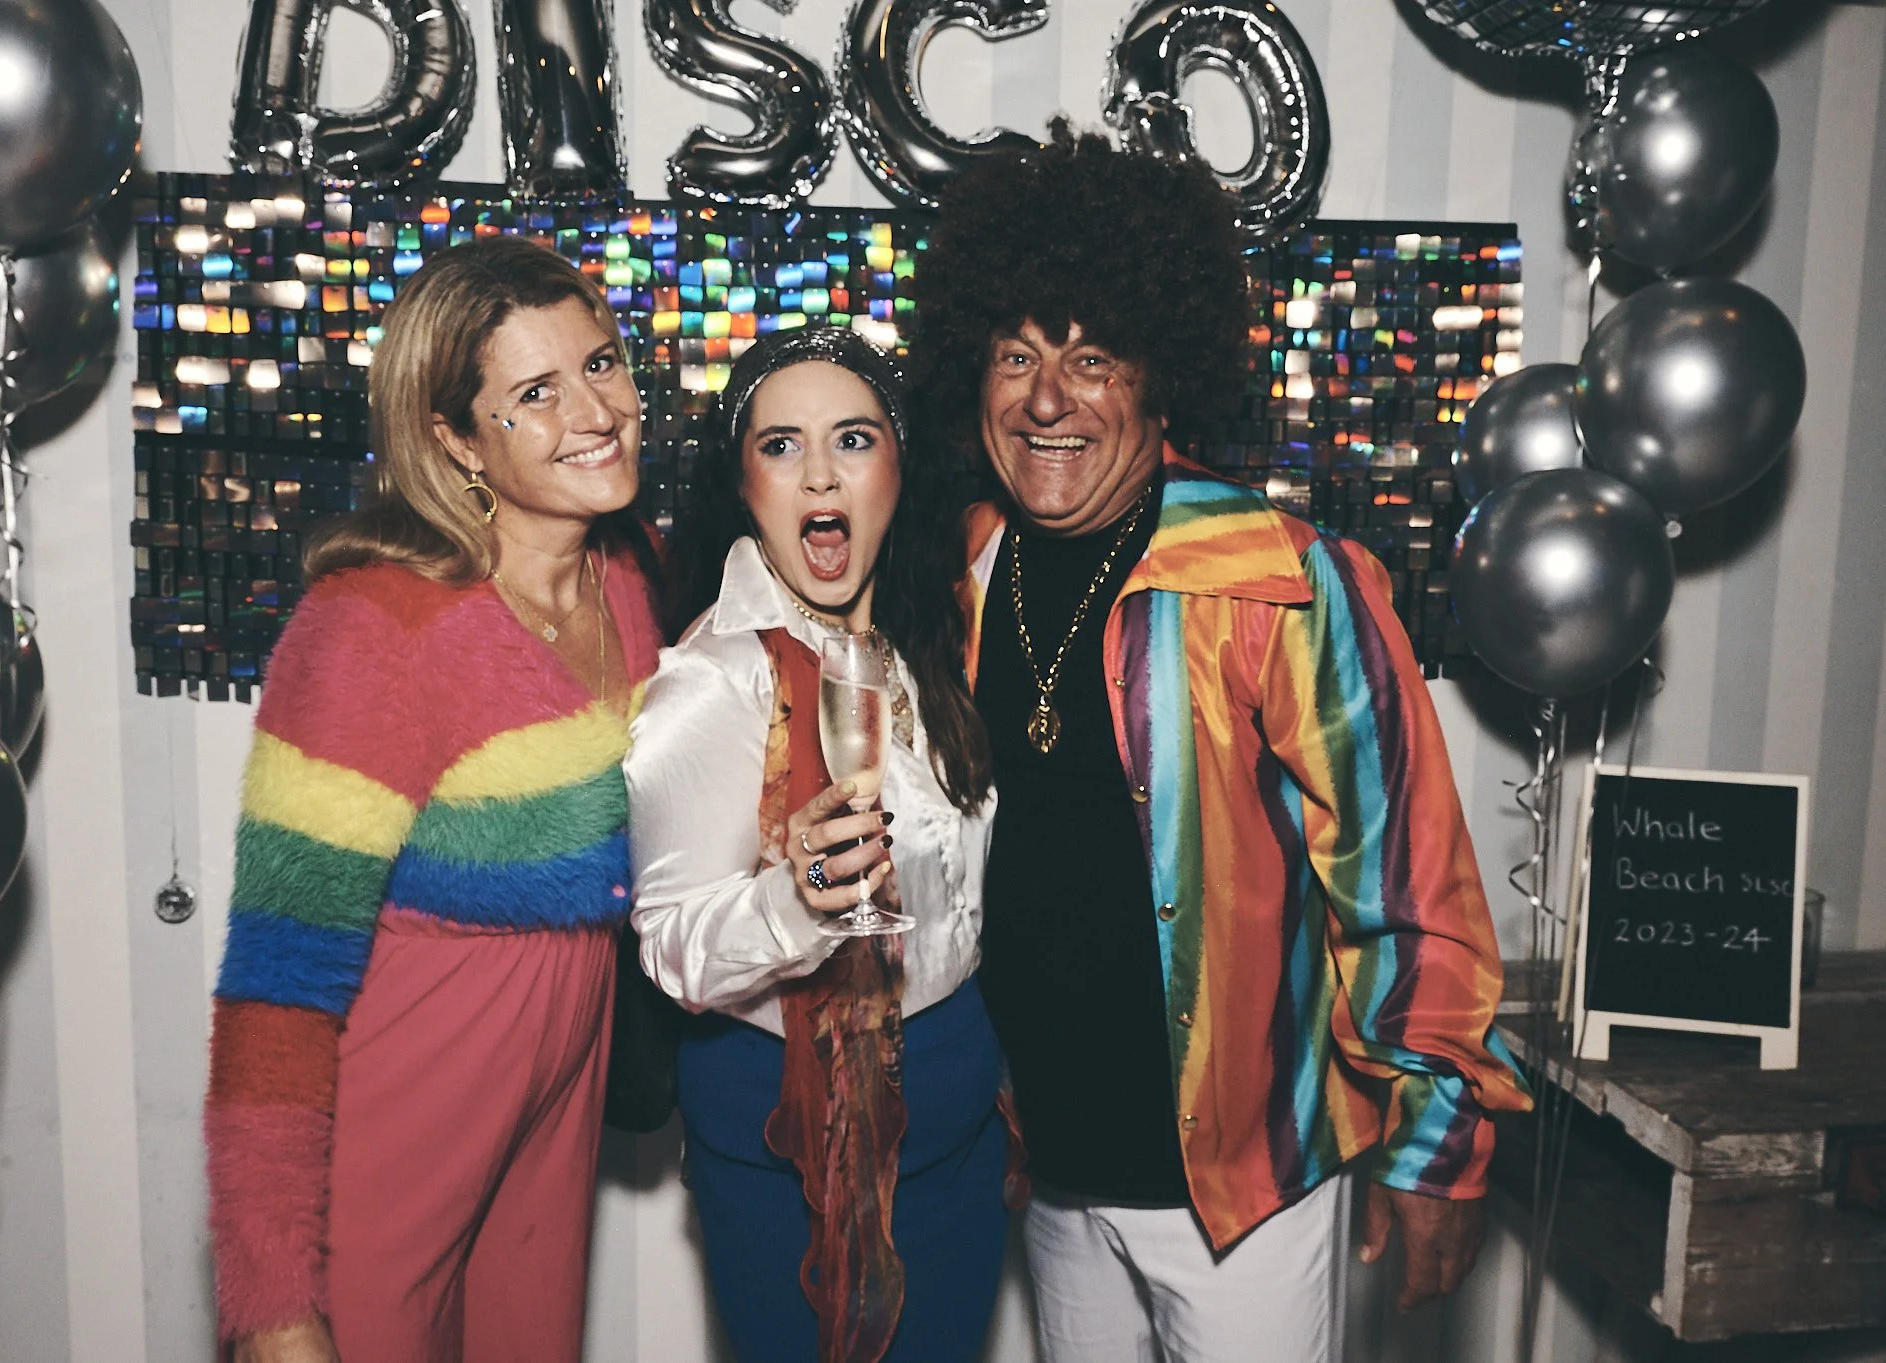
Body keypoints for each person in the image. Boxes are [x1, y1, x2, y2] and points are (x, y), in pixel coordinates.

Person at [907, 126, 1532, 1363]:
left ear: (1159, 376)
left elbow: (1402, 877)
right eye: (1015, 354)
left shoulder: (1281, 579)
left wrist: (1438, 1145)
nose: (1045, 398)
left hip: (1242, 1194)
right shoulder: (958, 572)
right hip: (1050, 1172)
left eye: (1090, 357)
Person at [203, 235, 662, 1363]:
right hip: (408, 1090)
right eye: (535, 393)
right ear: (455, 438)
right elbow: (277, 979)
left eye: (600, 363)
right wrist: (271, 1299)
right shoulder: (371, 627)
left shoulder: (628, 575)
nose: (594, 411)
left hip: (561, 1104)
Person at [624, 325, 1005, 1363]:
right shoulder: (714, 680)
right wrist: (794, 899)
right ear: (742, 483)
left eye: (853, 438)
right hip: (795, 1156)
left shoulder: (923, 642)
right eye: (781, 445)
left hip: (959, 1138)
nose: (821, 473)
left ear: (898, 470)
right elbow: (669, 946)